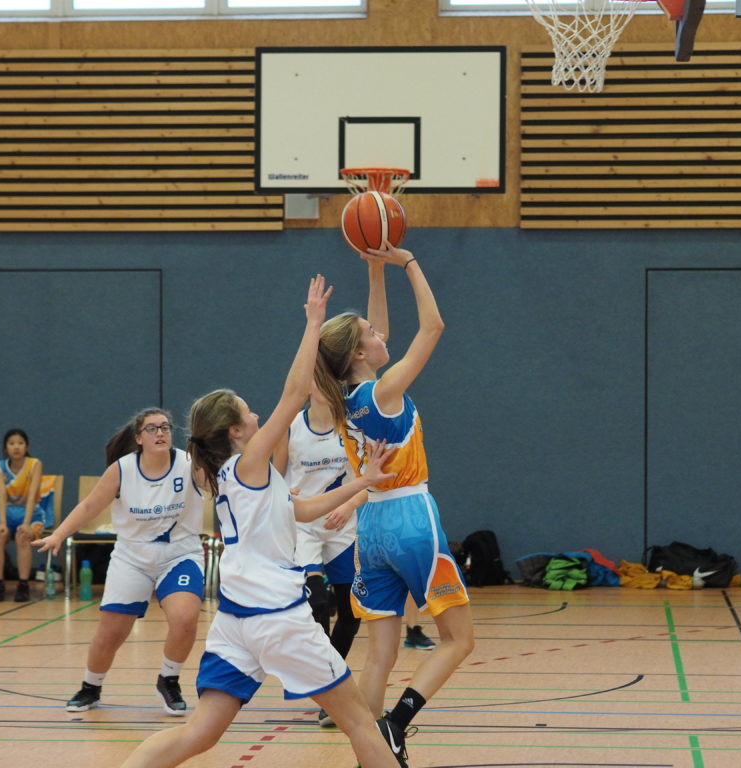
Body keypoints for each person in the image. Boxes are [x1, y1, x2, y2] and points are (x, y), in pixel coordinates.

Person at [119, 275, 403, 768]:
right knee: (358, 718)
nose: (257, 418)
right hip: (276, 616)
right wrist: (313, 323)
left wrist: (362, 482)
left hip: (234, 622)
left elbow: (299, 509)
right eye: (250, 415)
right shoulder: (248, 464)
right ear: (235, 431)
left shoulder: (233, 477)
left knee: (199, 734)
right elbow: (295, 394)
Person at [314, 244, 475, 760]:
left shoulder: (342, 400)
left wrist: (373, 272)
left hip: (371, 526)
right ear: (359, 354)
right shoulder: (385, 392)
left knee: (380, 652)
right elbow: (434, 328)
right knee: (458, 640)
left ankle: (370, 754)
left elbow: (371, 331)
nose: (382, 336)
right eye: (373, 336)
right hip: (410, 516)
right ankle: (396, 724)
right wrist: (407, 262)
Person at [35, 408, 206, 716]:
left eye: (165, 427)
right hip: (133, 557)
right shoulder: (122, 469)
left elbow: (229, 480)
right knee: (111, 633)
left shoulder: (189, 463)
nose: (161, 433)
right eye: (152, 429)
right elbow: (89, 506)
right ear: (138, 438)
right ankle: (91, 686)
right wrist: (58, 535)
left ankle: (169, 679)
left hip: (180, 554)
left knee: (184, 617)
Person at [272, 386, 363, 728]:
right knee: (318, 605)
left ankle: (332, 682)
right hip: (305, 524)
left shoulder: (352, 424)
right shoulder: (291, 427)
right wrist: (283, 495)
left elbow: (372, 480)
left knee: (352, 614)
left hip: (343, 525)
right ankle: (328, 688)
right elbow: (274, 479)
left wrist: (350, 503)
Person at [0, 429, 48, 602]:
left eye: (20, 443)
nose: (16, 447)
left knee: (24, 536)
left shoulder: (35, 464)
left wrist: (26, 523)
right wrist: (3, 524)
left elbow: (31, 496)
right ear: (6, 448)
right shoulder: (0, 467)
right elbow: (0, 497)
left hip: (32, 512)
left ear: (26, 446)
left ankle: (23, 584)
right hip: (7, 512)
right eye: (12, 443)